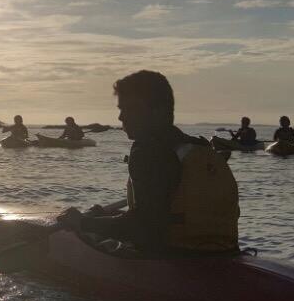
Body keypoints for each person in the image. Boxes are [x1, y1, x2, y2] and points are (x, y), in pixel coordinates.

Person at [57, 70, 239, 255]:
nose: (121, 117)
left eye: (128, 108)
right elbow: (159, 213)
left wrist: (83, 222)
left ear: (157, 110)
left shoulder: (147, 149)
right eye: (121, 109)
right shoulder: (198, 147)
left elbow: (143, 228)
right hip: (225, 254)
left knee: (82, 236)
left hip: (170, 259)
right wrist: (106, 217)